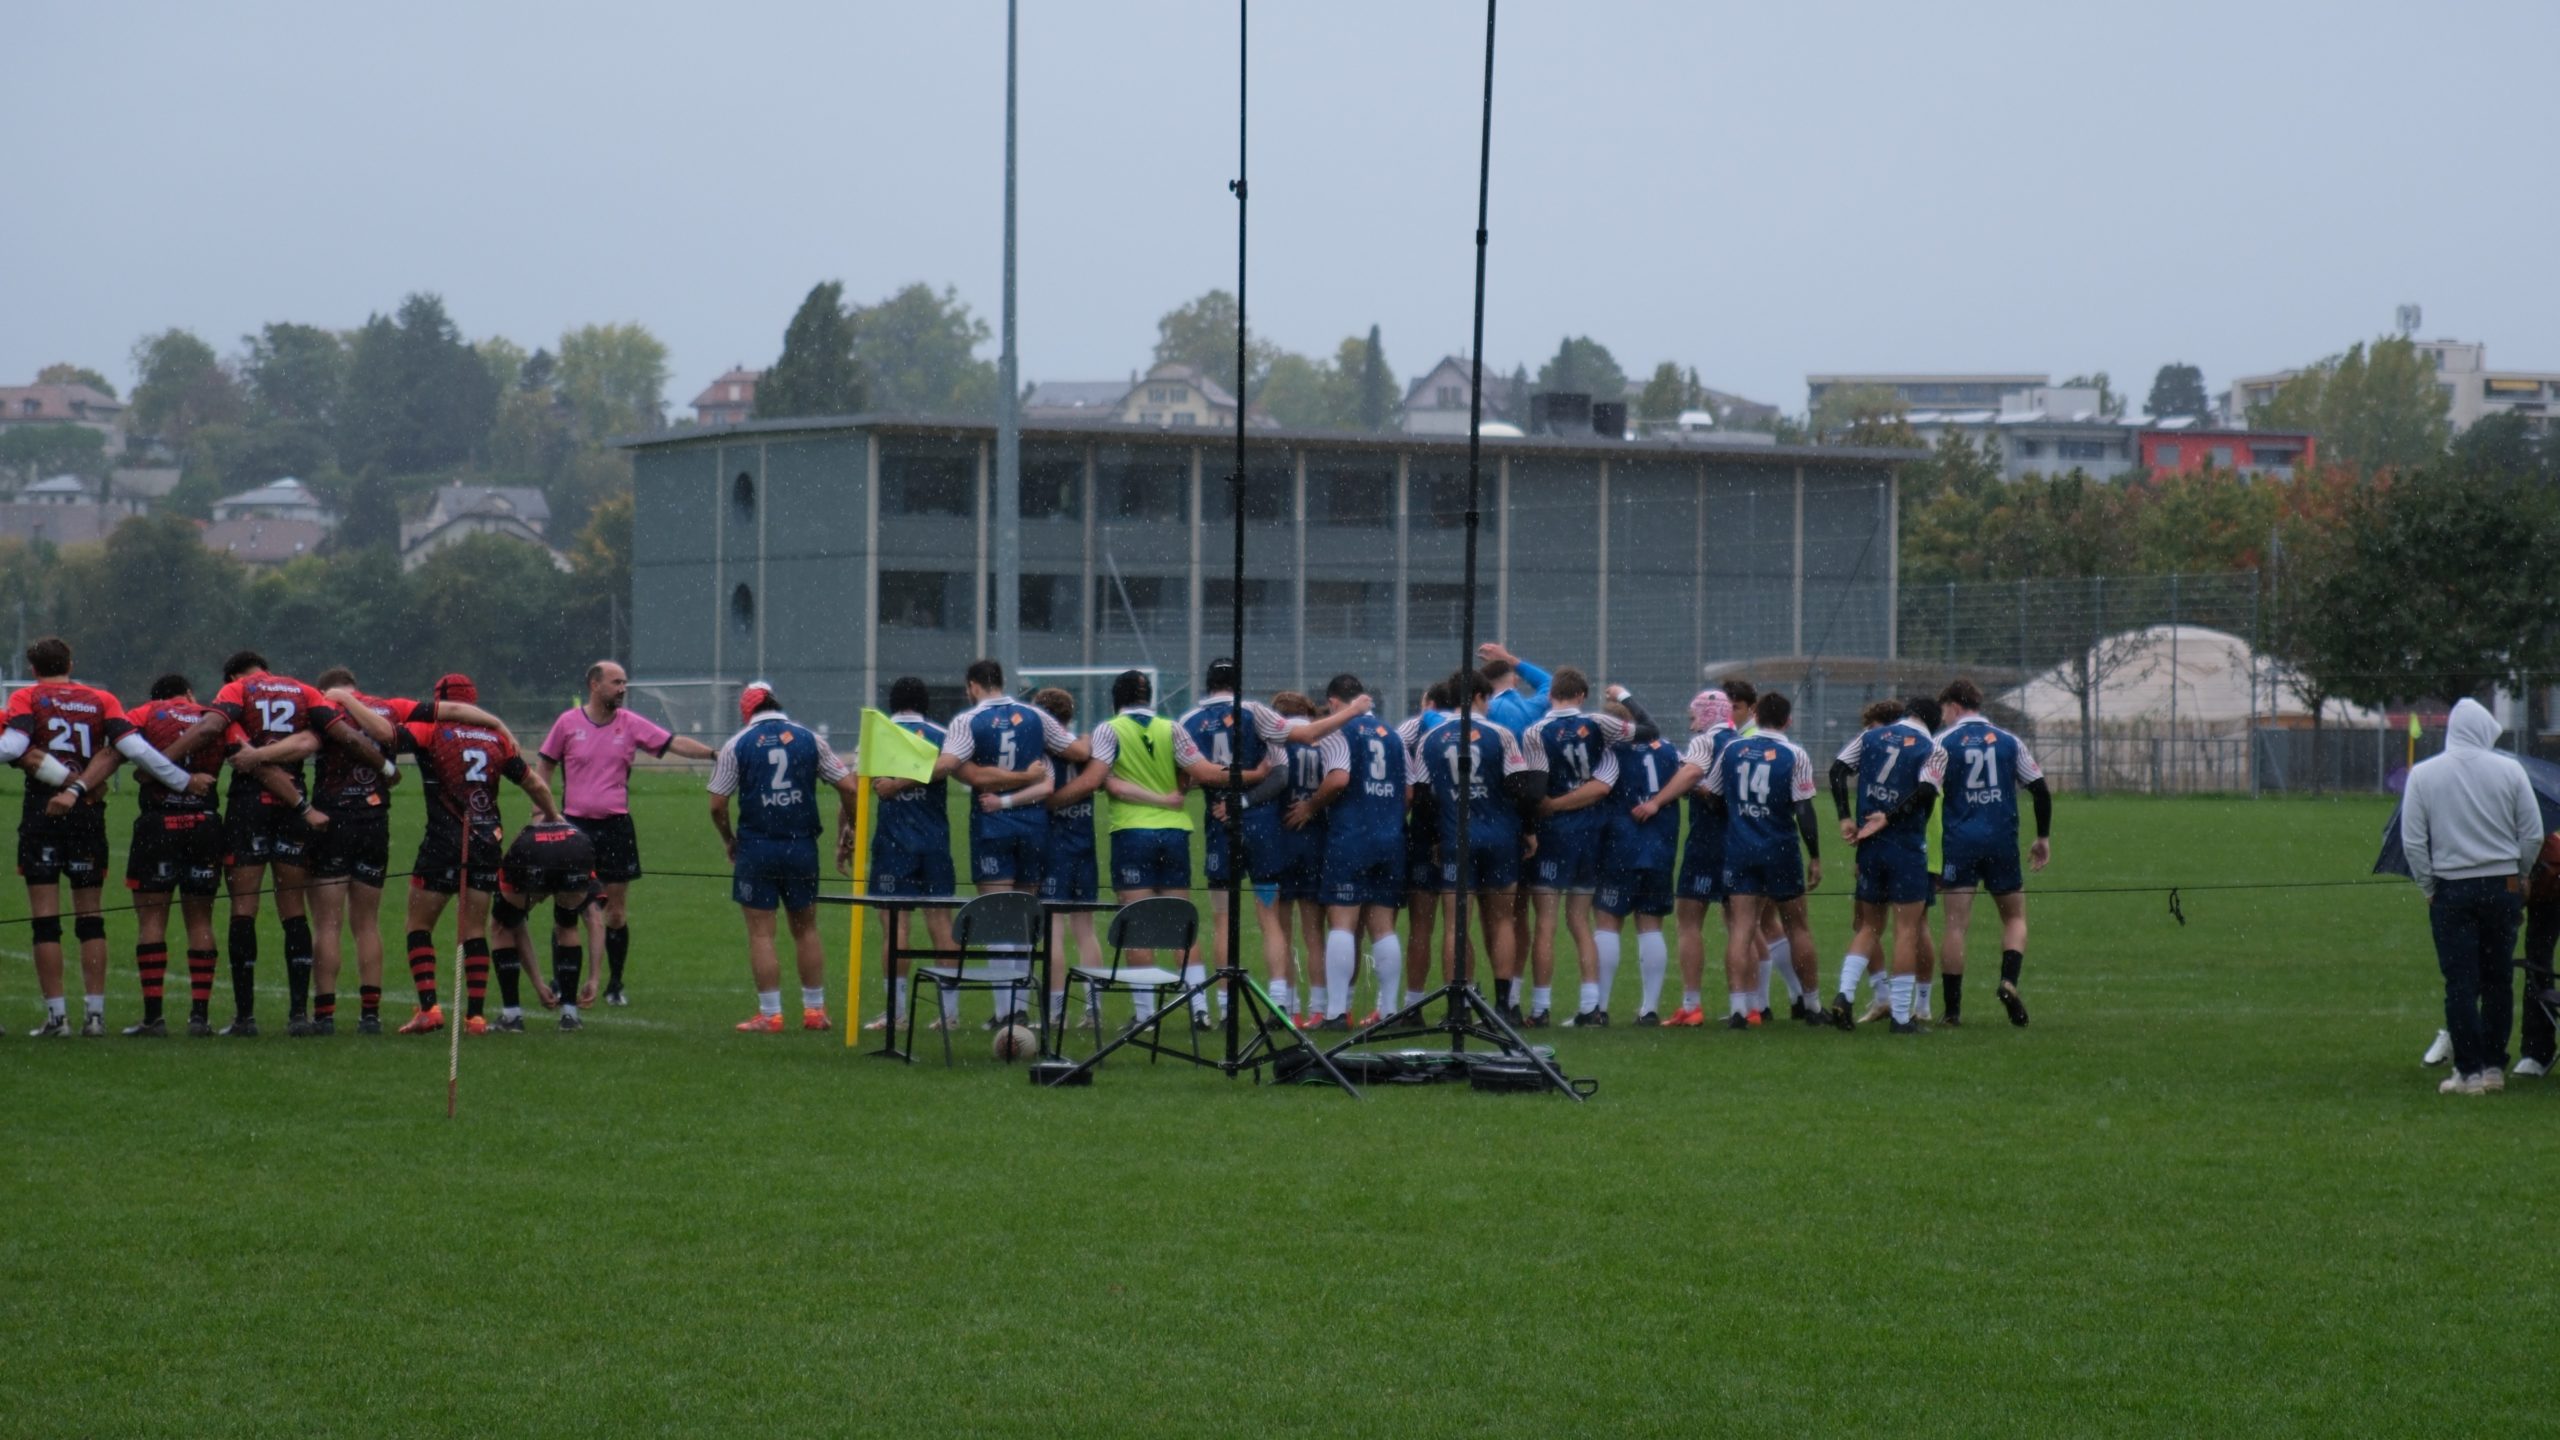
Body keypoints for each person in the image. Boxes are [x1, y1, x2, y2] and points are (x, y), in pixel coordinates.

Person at [163, 651, 390, 1037]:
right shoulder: (303, 691)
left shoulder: (237, 690)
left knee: (243, 909)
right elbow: (338, 737)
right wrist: (385, 767)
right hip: (293, 808)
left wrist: (162, 762)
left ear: (233, 675)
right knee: (293, 911)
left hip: (249, 806)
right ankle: (298, 1015)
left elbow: (209, 730)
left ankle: (245, 1018)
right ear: (265, 668)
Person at [3, 637, 208, 1036]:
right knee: (91, 917)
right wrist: (183, 781)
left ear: (33, 670)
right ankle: (95, 1017)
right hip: (87, 812)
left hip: (43, 810)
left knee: (45, 920)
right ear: (70, 663)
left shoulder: (26, 697)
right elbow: (136, 750)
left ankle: (57, 1018)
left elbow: (15, 747)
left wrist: (59, 778)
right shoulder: (101, 699)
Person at [303, 667, 515, 1034]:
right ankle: (373, 1016)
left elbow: (306, 744)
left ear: (327, 690)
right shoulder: (391, 706)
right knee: (368, 923)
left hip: (334, 820)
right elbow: (457, 713)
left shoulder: (323, 707)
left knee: (328, 924)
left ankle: (325, 1016)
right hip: (379, 823)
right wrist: (498, 724)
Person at [384, 674, 561, 1034]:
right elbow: (534, 783)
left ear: (440, 701)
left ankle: (429, 1008)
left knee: (418, 925)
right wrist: (554, 819)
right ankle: (476, 1017)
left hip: (442, 842)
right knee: (474, 930)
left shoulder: (429, 729)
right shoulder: (496, 738)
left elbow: (387, 738)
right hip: (485, 842)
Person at [118, 675, 293, 1037]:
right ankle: (199, 1017)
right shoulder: (214, 717)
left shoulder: (145, 714)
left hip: (158, 824)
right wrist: (297, 801)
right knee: (200, 921)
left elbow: (116, 748)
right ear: (189, 693)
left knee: (152, 922)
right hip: (205, 825)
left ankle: (154, 1017)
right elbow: (249, 759)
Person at [537, 660, 719, 1006]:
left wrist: (713, 754)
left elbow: (673, 743)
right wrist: (541, 810)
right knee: (568, 906)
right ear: (595, 685)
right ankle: (562, 980)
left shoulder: (630, 723)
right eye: (616, 682)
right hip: (574, 826)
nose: (622, 689)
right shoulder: (568, 723)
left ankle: (614, 985)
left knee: (616, 912)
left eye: (624, 683)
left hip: (616, 828)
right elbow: (545, 764)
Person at [2399, 696, 2545, 1095]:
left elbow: (2413, 842)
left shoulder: (2424, 775)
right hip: (2502, 886)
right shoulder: (2510, 770)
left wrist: (2428, 886)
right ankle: (2495, 1066)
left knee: (2460, 983)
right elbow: (2532, 833)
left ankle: (2468, 1071)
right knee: (2498, 978)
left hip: (2451, 889)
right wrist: (2521, 873)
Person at [1089, 668, 1243, 1026]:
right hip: (1174, 832)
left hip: (1132, 832)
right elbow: (1201, 772)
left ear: (1116, 699)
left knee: (1137, 923)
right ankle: (1199, 1008)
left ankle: (1146, 1015)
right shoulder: (1171, 728)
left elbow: (1108, 783)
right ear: (1149, 698)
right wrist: (1251, 775)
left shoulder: (1109, 729)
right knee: (1180, 923)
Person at [937, 659, 1087, 1025]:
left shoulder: (967, 720)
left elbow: (950, 765)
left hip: (993, 826)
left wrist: (905, 773)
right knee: (1022, 918)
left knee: (996, 917)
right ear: (1001, 682)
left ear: (973, 686)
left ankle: (1006, 1012)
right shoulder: (1037, 717)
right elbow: (1078, 753)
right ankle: (1019, 1008)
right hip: (1034, 826)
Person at [709, 681, 860, 1034]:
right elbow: (849, 787)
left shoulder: (738, 744)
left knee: (762, 934)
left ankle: (771, 1015)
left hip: (757, 847)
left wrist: (729, 839)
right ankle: (815, 1011)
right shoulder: (810, 739)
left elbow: (717, 804)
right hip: (801, 846)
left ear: (747, 713)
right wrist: (851, 826)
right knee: (806, 929)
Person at [1415, 670, 1538, 1023]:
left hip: (1457, 837)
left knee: (1456, 925)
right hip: (1499, 837)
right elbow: (1520, 788)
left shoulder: (1431, 739)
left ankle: (1459, 1007)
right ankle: (1504, 1006)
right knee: (1502, 921)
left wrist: (1435, 838)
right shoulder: (1501, 735)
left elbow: (1422, 799)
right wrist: (1529, 831)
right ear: (1481, 697)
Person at [1293, 675, 1410, 1031]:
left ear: (1333, 702)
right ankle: (1388, 1011)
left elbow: (1339, 778)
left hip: (1351, 836)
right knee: (1383, 927)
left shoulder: (1337, 731)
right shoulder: (1392, 735)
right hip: (1390, 838)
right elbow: (1409, 791)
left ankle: (1335, 1012)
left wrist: (1311, 806)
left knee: (1342, 922)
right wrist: (1388, 817)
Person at [1934, 678, 2051, 1028]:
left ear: (1955, 706)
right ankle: (2008, 980)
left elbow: (1925, 791)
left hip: (1959, 842)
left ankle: (1952, 1012)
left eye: (1944, 711)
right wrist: (2042, 836)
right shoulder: (2009, 741)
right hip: (2001, 841)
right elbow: (2040, 790)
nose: (1943, 718)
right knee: (2014, 918)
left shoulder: (1943, 743)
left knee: (1955, 926)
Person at [1700, 691, 1820, 1029]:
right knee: (1797, 927)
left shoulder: (1732, 749)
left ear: (1755, 715)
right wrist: (1815, 856)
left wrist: (1741, 814)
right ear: (1788, 721)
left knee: (1742, 929)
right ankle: (1812, 1005)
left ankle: (1739, 1009)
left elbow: (1712, 795)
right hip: (1781, 849)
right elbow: (1804, 810)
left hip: (1740, 850)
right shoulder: (1795, 754)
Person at [1828, 697, 1947, 1034]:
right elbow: (1926, 790)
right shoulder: (1934, 748)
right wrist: (1890, 817)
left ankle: (1844, 995)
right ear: (1932, 723)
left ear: (1907, 713)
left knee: (1869, 926)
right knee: (1906, 930)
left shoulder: (1870, 736)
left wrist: (1845, 817)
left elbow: (1837, 770)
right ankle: (1900, 1017)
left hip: (1870, 845)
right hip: (1906, 846)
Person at [1521, 668, 1625, 1026]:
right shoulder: (1597, 728)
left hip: (1554, 834)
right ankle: (1591, 1005)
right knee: (1580, 921)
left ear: (1551, 695)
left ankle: (1540, 1008)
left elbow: (1535, 789)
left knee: (1545, 924)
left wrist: (1542, 813)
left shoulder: (1536, 731)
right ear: (1581, 695)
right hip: (1591, 832)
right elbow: (1604, 783)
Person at [856, 677, 959, 1033]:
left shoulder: (877, 734)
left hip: (893, 843)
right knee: (941, 924)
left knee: (895, 926)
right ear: (925, 703)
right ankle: (949, 1013)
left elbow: (857, 785)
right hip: (934, 842)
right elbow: (952, 768)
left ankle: (895, 1012)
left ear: (892, 702)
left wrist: (847, 829)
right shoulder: (940, 734)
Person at [1634, 687, 1741, 1026]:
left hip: (1708, 842)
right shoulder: (1742, 742)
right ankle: (1748, 1006)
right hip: (1742, 842)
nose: (1691, 721)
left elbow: (1693, 773)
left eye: (1694, 714)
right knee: (1741, 926)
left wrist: (1657, 801)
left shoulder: (1704, 742)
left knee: (1689, 921)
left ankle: (1691, 1005)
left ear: (1708, 714)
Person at [1594, 700, 1679, 1026]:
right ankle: (1650, 1009)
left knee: (1607, 922)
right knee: (1650, 925)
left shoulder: (1609, 752)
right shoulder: (1668, 750)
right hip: (1660, 847)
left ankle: (1599, 1008)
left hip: (1620, 845)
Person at [493, 817, 605, 1032]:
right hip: (574, 850)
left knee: (503, 925)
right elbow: (595, 921)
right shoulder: (579, 845)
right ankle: (570, 1014)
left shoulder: (522, 843)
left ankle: (512, 1015)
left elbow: (515, 925)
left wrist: (538, 983)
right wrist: (594, 979)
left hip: (530, 852)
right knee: (567, 924)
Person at [1395, 680, 1456, 1002]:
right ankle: (1458, 1002)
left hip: (1424, 827)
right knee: (1457, 924)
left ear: (1429, 703)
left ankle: (1413, 1002)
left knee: (1420, 924)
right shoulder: (1467, 728)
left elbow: (1393, 749)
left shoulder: (1415, 727)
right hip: (1460, 827)